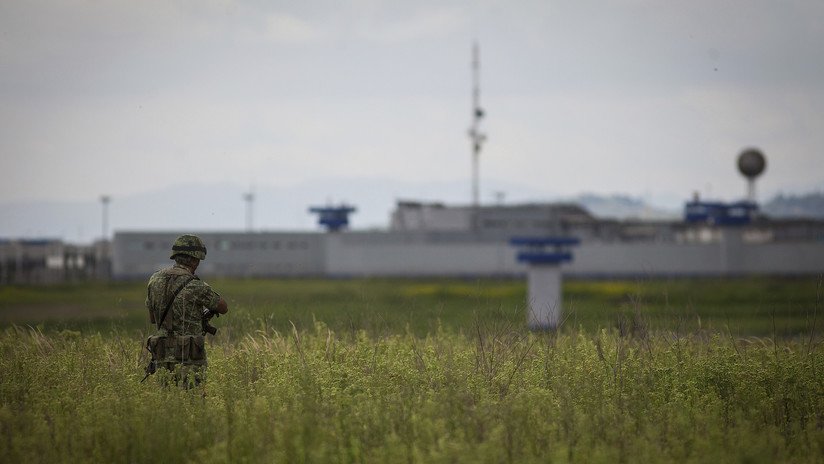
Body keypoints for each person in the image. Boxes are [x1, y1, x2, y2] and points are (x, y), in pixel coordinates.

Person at [143, 234, 228, 387]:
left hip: (162, 356)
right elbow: (223, 307)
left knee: (167, 398)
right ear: (194, 260)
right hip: (189, 358)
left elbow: (153, 319)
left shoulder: (154, 280)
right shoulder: (195, 285)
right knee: (192, 398)